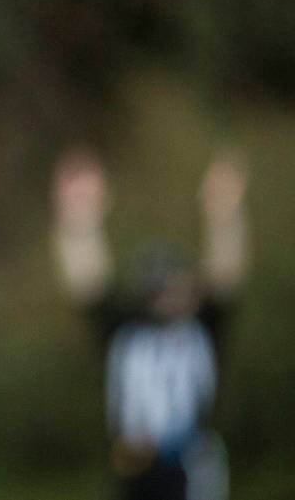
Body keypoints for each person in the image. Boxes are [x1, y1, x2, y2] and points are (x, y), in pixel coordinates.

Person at [51, 148, 248, 500]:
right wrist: (78, 219)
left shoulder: (202, 325)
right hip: (134, 467)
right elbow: (89, 284)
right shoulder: (126, 328)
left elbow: (226, 275)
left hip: (191, 464)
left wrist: (225, 215)